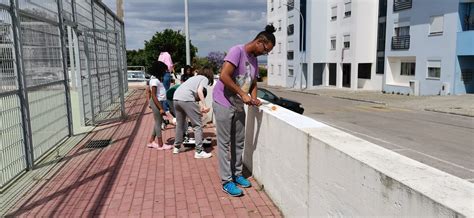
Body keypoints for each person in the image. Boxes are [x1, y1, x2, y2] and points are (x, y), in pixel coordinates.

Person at [212, 25, 275, 197]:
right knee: (224, 144)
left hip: (239, 103)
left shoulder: (254, 59)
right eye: (266, 50)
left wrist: (253, 98)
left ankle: (237, 174)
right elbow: (224, 75)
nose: (265, 54)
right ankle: (226, 181)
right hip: (223, 101)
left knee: (238, 141)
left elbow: (253, 82)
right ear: (260, 42)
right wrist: (242, 93)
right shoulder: (237, 51)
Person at [172, 67, 214, 158]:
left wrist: (200, 106)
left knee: (180, 124)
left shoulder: (193, 78)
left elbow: (194, 93)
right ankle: (199, 151)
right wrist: (204, 105)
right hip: (186, 99)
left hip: (176, 98)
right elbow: (199, 91)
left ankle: (176, 147)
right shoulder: (204, 78)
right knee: (197, 125)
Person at [147, 61, 173, 150]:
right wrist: (161, 108)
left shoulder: (157, 79)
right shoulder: (154, 80)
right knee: (159, 123)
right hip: (156, 103)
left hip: (159, 102)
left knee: (158, 121)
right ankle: (160, 144)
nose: (165, 72)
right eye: (164, 70)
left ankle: (151, 141)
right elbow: (153, 95)